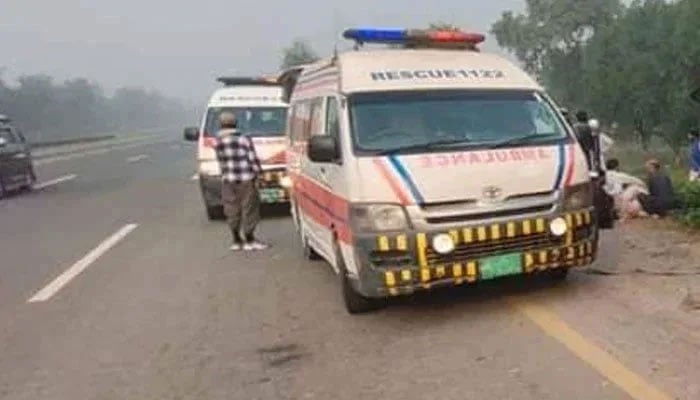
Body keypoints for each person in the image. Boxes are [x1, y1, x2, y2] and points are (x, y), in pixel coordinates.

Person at [214, 112, 268, 251]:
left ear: (221, 125)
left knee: (231, 208)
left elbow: (221, 163)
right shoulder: (243, 140)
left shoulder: (217, 142)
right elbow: (252, 159)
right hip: (246, 179)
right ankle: (250, 239)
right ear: (236, 124)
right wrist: (259, 174)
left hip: (228, 180)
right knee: (249, 208)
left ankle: (236, 240)